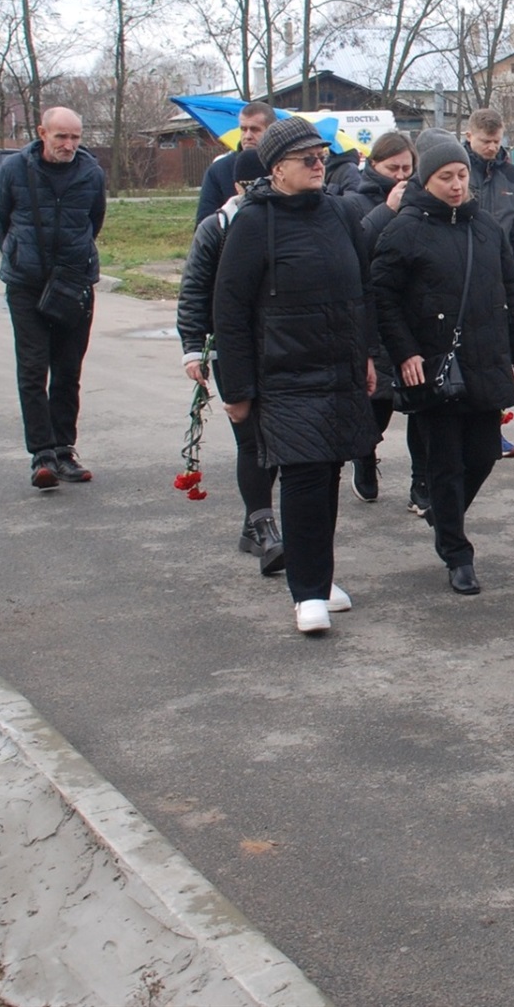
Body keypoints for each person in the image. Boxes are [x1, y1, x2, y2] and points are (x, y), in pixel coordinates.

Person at [213, 117, 374, 635]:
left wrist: (368, 354)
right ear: (277, 169)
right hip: (284, 374)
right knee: (304, 477)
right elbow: (230, 310)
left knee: (327, 476)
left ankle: (320, 579)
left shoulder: (341, 213)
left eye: (322, 156)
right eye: (307, 158)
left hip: (340, 370)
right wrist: (235, 389)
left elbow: (363, 290)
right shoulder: (253, 223)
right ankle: (306, 594)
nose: (319, 164)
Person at [371, 132, 514, 594]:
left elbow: (509, 293)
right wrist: (405, 352)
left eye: (462, 175)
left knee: (483, 455)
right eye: (446, 177)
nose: (458, 184)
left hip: (484, 359)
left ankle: (444, 516)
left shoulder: (486, 228)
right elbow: (382, 297)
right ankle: (457, 553)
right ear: (427, 179)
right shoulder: (405, 229)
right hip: (434, 366)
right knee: (444, 463)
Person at [0, 106, 108, 491]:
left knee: (68, 369)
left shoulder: (90, 173)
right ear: (42, 133)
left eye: (75, 137)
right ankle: (41, 454)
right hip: (26, 284)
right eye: (61, 137)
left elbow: (95, 220)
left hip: (74, 285)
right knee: (33, 368)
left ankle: (64, 450)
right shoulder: (15, 169)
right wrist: (23, 255)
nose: (69, 145)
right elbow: (0, 220)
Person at [177, 147, 283, 573]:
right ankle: (262, 526)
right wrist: (192, 348)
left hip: (280, 344)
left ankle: (254, 520)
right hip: (233, 347)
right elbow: (195, 290)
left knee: (275, 440)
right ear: (239, 186)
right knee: (252, 439)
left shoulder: (283, 220)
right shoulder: (216, 228)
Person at [342, 132, 417, 504]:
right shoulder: (354, 202)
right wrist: (388, 208)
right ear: (374, 166)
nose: (401, 175)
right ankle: (365, 453)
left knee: (408, 398)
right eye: (393, 168)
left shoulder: (420, 197)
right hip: (370, 307)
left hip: (408, 308)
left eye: (407, 167)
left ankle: (418, 479)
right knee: (377, 395)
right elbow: (353, 248)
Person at [463, 108, 514, 461]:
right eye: (484, 141)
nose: (491, 148)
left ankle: (494, 431)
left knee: (498, 356)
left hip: (501, 275)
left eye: (496, 141)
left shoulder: (513, 177)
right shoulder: (460, 173)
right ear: (469, 136)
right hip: (464, 273)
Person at [195, 102, 275, 225]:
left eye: (255, 129)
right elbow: (204, 224)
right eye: (243, 129)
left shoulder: (284, 167)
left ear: (271, 130)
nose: (247, 136)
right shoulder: (219, 170)